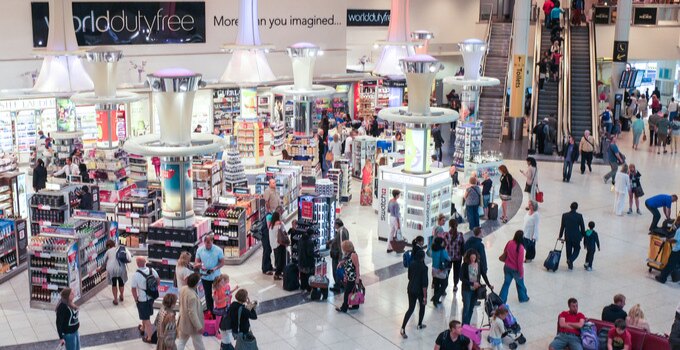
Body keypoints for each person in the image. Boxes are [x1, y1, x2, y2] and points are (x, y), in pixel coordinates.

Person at [400, 249, 428, 338]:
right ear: (423, 257)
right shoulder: (424, 268)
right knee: (422, 306)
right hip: (419, 291)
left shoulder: (411, 264)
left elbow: (409, 277)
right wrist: (425, 297)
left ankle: (403, 328)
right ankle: (419, 324)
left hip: (411, 288)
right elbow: (424, 284)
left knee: (411, 309)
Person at [131, 257, 159, 343]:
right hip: (151, 297)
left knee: (146, 319)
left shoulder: (136, 275)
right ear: (145, 262)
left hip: (143, 299)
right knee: (145, 314)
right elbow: (158, 280)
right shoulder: (152, 270)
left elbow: (133, 289)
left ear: (137, 263)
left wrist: (136, 299)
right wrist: (153, 289)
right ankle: (143, 328)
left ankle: (149, 337)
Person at [196, 235, 225, 313]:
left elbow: (222, 262)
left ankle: (220, 310)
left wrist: (215, 268)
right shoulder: (199, 250)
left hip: (216, 277)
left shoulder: (218, 250)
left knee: (219, 293)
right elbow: (196, 262)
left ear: (212, 241)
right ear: (204, 242)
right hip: (205, 276)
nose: (208, 245)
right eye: (206, 243)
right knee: (208, 295)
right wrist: (200, 266)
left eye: (209, 243)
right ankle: (210, 311)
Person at [499, 230, 529, 303]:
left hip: (507, 267)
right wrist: (521, 273)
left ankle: (501, 300)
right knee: (520, 284)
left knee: (506, 284)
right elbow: (520, 262)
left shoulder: (510, 242)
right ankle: (523, 298)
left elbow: (505, 251)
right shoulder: (521, 248)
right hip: (515, 270)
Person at [176, 273, 205, 350]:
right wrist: (199, 326)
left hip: (183, 321)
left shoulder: (183, 288)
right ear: (196, 283)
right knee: (199, 344)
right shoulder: (192, 296)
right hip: (192, 326)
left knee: (181, 342)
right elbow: (192, 313)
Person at [102, 240, 131, 305]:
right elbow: (129, 257)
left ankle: (115, 299)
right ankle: (122, 295)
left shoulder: (108, 251)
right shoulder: (121, 249)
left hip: (112, 269)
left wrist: (100, 268)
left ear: (108, 246)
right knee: (121, 283)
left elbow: (104, 262)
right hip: (121, 268)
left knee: (114, 284)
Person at [559, 202, 586, 270]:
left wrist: (560, 235)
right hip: (576, 236)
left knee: (568, 250)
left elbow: (562, 226)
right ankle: (571, 260)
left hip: (568, 236)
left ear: (570, 207)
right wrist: (583, 235)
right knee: (577, 249)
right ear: (576, 208)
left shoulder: (564, 215)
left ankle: (570, 265)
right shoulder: (579, 216)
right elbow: (582, 227)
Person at [336, 240, 361, 313]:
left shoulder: (353, 255)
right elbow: (346, 261)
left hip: (352, 278)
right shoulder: (348, 254)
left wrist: (357, 278)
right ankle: (355, 305)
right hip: (349, 277)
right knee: (353, 291)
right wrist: (341, 263)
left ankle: (344, 308)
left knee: (347, 292)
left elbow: (357, 266)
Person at [460, 249, 483, 325]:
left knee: (471, 308)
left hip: (476, 290)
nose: (473, 259)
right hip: (466, 289)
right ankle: (464, 325)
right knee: (466, 308)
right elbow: (461, 278)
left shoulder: (478, 264)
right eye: (471, 258)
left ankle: (467, 324)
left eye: (474, 258)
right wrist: (472, 283)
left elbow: (483, 274)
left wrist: (489, 284)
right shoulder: (465, 265)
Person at [655, 217, 680, 284]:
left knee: (670, 265)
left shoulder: (679, 230)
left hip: (677, 250)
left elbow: (675, 240)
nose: (676, 222)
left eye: (677, 221)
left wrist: (666, 240)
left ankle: (662, 278)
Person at [445, 219, 465, 294]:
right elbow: (463, 245)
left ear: (450, 225)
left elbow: (444, 245)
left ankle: (444, 286)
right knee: (456, 272)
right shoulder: (460, 235)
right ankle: (455, 285)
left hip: (448, 257)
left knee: (447, 271)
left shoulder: (446, 235)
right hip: (458, 257)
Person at [330, 219, 349, 292]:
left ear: (337, 225)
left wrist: (341, 259)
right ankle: (340, 283)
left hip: (338, 255)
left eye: (334, 224)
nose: (334, 226)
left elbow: (342, 245)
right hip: (341, 255)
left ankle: (337, 285)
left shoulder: (341, 232)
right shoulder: (344, 230)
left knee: (336, 270)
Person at [431, 237, 451, 307]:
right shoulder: (442, 250)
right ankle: (435, 298)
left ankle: (435, 301)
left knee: (436, 285)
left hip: (434, 269)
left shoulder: (433, 249)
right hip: (441, 270)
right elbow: (447, 258)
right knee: (444, 284)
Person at [268, 211, 287, 281]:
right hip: (280, 244)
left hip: (274, 244)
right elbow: (285, 231)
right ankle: (277, 274)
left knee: (277, 259)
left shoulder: (271, 226)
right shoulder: (280, 224)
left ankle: (278, 273)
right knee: (281, 260)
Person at [387, 189, 402, 253]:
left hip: (391, 218)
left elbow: (388, 210)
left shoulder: (390, 201)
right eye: (399, 195)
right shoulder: (396, 204)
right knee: (398, 233)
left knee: (391, 233)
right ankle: (398, 249)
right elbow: (397, 215)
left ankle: (389, 248)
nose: (399, 196)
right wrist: (398, 224)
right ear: (396, 195)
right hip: (396, 219)